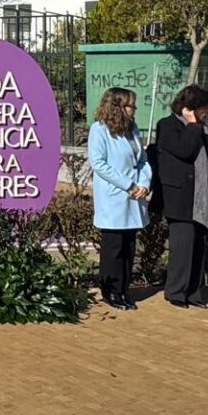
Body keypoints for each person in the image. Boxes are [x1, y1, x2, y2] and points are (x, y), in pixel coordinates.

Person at [151, 84, 208, 309]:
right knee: (183, 246)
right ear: (189, 108)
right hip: (180, 197)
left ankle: (194, 292)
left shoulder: (205, 129)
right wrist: (192, 124)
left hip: (201, 197)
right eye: (203, 107)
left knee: (198, 246)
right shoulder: (168, 126)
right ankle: (176, 291)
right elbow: (184, 150)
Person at [86, 87, 150, 311]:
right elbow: (99, 164)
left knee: (129, 246)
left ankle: (123, 289)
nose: (135, 109)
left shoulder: (132, 130)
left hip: (135, 198)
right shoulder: (99, 130)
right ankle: (110, 291)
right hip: (115, 197)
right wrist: (128, 185)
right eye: (131, 105)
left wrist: (144, 183)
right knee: (113, 247)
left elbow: (142, 160)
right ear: (117, 106)